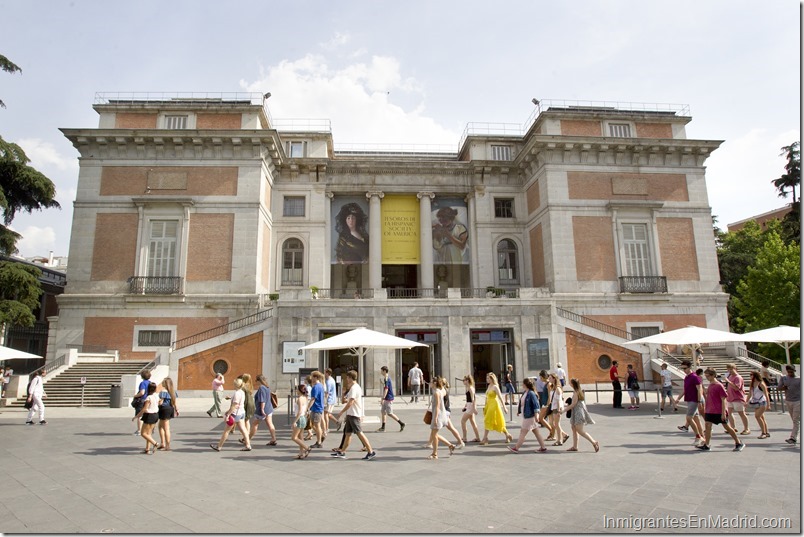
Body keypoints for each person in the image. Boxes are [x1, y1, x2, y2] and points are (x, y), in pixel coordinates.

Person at [696, 368, 744, 452]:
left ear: (713, 375)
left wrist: (723, 413)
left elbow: (723, 399)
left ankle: (738, 442)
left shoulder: (718, 385)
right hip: (710, 410)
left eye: (708, 376)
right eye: (706, 376)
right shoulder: (711, 385)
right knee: (708, 426)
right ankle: (707, 444)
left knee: (727, 427)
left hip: (718, 410)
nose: (707, 378)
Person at [331, 370, 375, 460]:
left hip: (354, 414)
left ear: (350, 378)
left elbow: (351, 402)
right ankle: (342, 452)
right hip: (351, 414)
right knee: (348, 433)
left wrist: (341, 412)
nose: (346, 379)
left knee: (359, 433)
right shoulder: (354, 387)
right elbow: (348, 401)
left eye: (347, 377)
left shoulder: (354, 388)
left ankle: (371, 451)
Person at [210, 377, 251, 452]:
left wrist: (228, 414)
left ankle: (219, 446)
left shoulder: (236, 393)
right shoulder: (242, 392)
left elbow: (234, 405)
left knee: (226, 431)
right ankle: (248, 445)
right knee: (243, 429)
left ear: (235, 385)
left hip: (235, 414)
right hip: (242, 412)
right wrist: (231, 398)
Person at [508, 378, 547, 454]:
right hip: (527, 415)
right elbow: (522, 403)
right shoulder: (526, 392)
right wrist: (519, 411)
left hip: (529, 416)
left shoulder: (531, 393)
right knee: (536, 432)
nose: (522, 384)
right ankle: (543, 447)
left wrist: (536, 415)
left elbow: (536, 405)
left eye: (523, 383)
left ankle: (516, 447)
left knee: (523, 432)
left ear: (525, 384)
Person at [675, 360, 706, 446]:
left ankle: (698, 436)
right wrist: (678, 398)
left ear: (689, 367)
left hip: (694, 400)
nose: (684, 370)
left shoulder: (695, 377)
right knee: (696, 419)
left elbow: (699, 389)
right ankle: (703, 437)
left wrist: (699, 400)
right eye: (682, 369)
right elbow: (685, 389)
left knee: (689, 418)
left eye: (685, 368)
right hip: (689, 399)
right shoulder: (687, 377)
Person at [563, 378, 599, 452]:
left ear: (573, 384)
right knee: (574, 429)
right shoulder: (577, 391)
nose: (569, 383)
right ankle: (575, 446)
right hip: (576, 413)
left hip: (578, 413)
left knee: (580, 430)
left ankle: (594, 442)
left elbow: (573, 404)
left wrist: (563, 410)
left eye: (570, 382)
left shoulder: (576, 392)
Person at [425, 377, 457, 459]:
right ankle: (450, 445)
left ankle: (435, 454)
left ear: (435, 383)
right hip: (439, 414)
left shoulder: (436, 392)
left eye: (431, 382)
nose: (429, 383)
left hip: (438, 415)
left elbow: (437, 406)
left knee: (434, 434)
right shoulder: (439, 391)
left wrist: (435, 418)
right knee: (434, 434)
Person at [480, 372, 513, 445]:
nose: (487, 379)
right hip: (489, 405)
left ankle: (485, 438)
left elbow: (500, 397)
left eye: (488, 378)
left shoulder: (495, 386)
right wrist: (485, 406)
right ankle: (507, 434)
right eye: (487, 378)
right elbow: (486, 397)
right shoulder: (489, 386)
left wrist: (504, 407)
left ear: (492, 379)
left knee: (487, 420)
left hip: (494, 405)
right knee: (497, 421)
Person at [250, 375, 277, 446]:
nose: (256, 382)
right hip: (269, 408)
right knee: (270, 424)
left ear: (259, 381)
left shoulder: (261, 388)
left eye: (256, 380)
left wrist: (262, 409)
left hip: (262, 410)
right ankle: (273, 438)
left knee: (255, 424)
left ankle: (248, 439)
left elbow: (262, 400)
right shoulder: (267, 387)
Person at [132, 382, 158, 454]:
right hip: (155, 414)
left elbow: (144, 408)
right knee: (149, 433)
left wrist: (137, 416)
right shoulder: (156, 396)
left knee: (143, 433)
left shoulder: (148, 397)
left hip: (149, 415)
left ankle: (155, 443)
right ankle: (147, 449)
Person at [723, 363, 750, 435]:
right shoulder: (730, 376)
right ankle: (732, 427)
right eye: (728, 369)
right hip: (730, 397)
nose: (730, 371)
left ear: (735, 369)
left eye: (731, 369)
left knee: (741, 413)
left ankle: (746, 428)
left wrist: (728, 381)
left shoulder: (738, 377)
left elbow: (737, 388)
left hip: (738, 398)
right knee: (729, 413)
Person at [377, 366, 405, 432]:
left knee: (390, 413)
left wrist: (383, 398)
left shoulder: (387, 378)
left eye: (381, 371)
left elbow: (386, 389)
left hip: (388, 398)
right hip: (386, 397)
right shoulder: (385, 378)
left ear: (384, 371)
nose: (381, 372)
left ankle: (401, 423)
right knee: (383, 412)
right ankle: (383, 427)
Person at [778, 365, 801, 445]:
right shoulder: (784, 378)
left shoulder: (799, 379)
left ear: (794, 370)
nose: (790, 373)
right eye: (788, 372)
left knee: (796, 420)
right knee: (795, 420)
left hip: (798, 401)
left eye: (791, 372)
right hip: (788, 401)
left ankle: (793, 438)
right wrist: (784, 387)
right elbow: (779, 388)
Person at [156, 377, 178, 451]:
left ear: (165, 384)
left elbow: (161, 402)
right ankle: (163, 443)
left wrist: (157, 402)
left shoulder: (163, 391)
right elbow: (174, 402)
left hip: (164, 409)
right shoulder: (173, 392)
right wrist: (176, 409)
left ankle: (167, 445)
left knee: (166, 428)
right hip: (170, 408)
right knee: (160, 426)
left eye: (163, 382)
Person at [746, 371, 770, 439]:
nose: (750, 376)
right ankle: (766, 431)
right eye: (750, 375)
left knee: (757, 416)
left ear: (755, 376)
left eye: (751, 375)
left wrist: (768, 404)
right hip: (755, 402)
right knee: (761, 417)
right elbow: (750, 393)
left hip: (762, 401)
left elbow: (766, 394)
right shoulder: (752, 383)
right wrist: (746, 401)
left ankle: (763, 433)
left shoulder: (761, 384)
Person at [547, 373, 568, 446]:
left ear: (554, 378)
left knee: (557, 424)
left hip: (557, 408)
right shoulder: (553, 387)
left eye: (550, 378)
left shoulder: (558, 388)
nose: (549, 379)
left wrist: (559, 410)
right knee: (555, 424)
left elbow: (559, 400)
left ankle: (559, 440)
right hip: (554, 407)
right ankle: (563, 436)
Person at [307, 371, 326, 448]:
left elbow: (313, 398)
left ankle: (319, 441)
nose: (311, 379)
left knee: (316, 425)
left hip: (316, 408)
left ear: (316, 377)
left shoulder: (315, 387)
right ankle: (320, 436)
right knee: (314, 425)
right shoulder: (321, 385)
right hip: (318, 407)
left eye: (312, 377)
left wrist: (308, 408)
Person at [460, 375, 481, 443]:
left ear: (468, 381)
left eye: (464, 380)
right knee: (473, 423)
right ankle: (477, 437)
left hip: (471, 406)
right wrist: (465, 406)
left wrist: (474, 408)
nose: (463, 381)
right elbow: (468, 399)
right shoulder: (468, 388)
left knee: (463, 421)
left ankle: (465, 437)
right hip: (469, 406)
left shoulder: (471, 388)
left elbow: (473, 399)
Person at [291, 384, 310, 459]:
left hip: (300, 418)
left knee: (294, 437)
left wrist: (294, 421)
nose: (296, 391)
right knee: (300, 437)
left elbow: (299, 411)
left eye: (297, 389)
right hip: (303, 418)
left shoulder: (299, 399)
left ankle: (307, 448)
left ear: (299, 390)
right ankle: (301, 453)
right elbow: (305, 409)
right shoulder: (305, 398)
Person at [132, 370, 152, 434]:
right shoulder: (150, 383)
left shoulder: (143, 383)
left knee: (140, 415)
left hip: (142, 400)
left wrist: (135, 395)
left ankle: (139, 430)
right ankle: (147, 429)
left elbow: (142, 392)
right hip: (149, 400)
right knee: (147, 414)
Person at [536, 370, 554, 439]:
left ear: (543, 377)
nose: (540, 379)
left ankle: (552, 432)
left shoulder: (548, 384)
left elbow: (550, 395)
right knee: (548, 420)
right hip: (544, 403)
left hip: (547, 404)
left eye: (540, 377)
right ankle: (552, 433)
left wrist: (548, 404)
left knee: (542, 418)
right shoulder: (546, 383)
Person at [323, 368, 337, 436]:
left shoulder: (328, 381)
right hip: (333, 399)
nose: (324, 373)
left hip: (329, 400)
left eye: (325, 372)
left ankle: (326, 428)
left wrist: (324, 401)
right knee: (328, 414)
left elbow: (327, 393)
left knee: (325, 414)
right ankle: (337, 422)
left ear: (327, 373)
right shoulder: (332, 379)